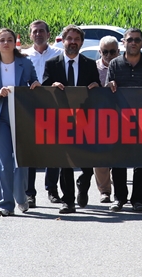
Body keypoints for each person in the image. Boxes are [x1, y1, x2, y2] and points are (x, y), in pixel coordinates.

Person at [41, 25, 102, 213]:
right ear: (63, 40)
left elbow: (98, 88)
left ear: (81, 42)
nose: (73, 42)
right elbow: (43, 90)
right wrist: (52, 85)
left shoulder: (90, 64)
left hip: (84, 120)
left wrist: (96, 86)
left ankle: (83, 186)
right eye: (69, 38)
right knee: (65, 162)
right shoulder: (52, 64)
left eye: (76, 39)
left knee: (87, 164)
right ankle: (68, 201)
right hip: (62, 120)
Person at [0, 28, 41, 216]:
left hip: (21, 115)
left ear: (14, 42)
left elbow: (34, 83)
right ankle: (5, 204)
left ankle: (21, 197)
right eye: (2, 40)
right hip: (0, 118)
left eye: (9, 39)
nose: (6, 43)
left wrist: (35, 85)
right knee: (3, 163)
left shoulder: (24, 62)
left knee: (21, 161)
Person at [107, 28, 142, 211]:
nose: (134, 42)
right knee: (118, 161)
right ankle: (119, 198)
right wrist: (111, 85)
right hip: (120, 119)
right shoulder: (114, 64)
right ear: (124, 42)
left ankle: (138, 199)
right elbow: (108, 89)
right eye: (130, 39)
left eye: (137, 40)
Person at [24, 20, 63, 208]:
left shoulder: (58, 55)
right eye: (35, 32)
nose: (38, 34)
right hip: (30, 110)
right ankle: (29, 193)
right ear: (30, 35)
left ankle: (52, 190)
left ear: (48, 34)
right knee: (31, 153)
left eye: (42, 31)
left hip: (53, 109)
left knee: (52, 152)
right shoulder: (23, 56)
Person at [92, 36, 119, 203]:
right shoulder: (92, 68)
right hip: (99, 119)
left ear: (118, 51)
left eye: (112, 51)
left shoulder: (124, 67)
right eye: (105, 52)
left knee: (119, 157)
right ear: (100, 52)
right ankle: (104, 191)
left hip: (122, 118)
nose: (109, 55)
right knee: (100, 158)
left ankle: (120, 192)